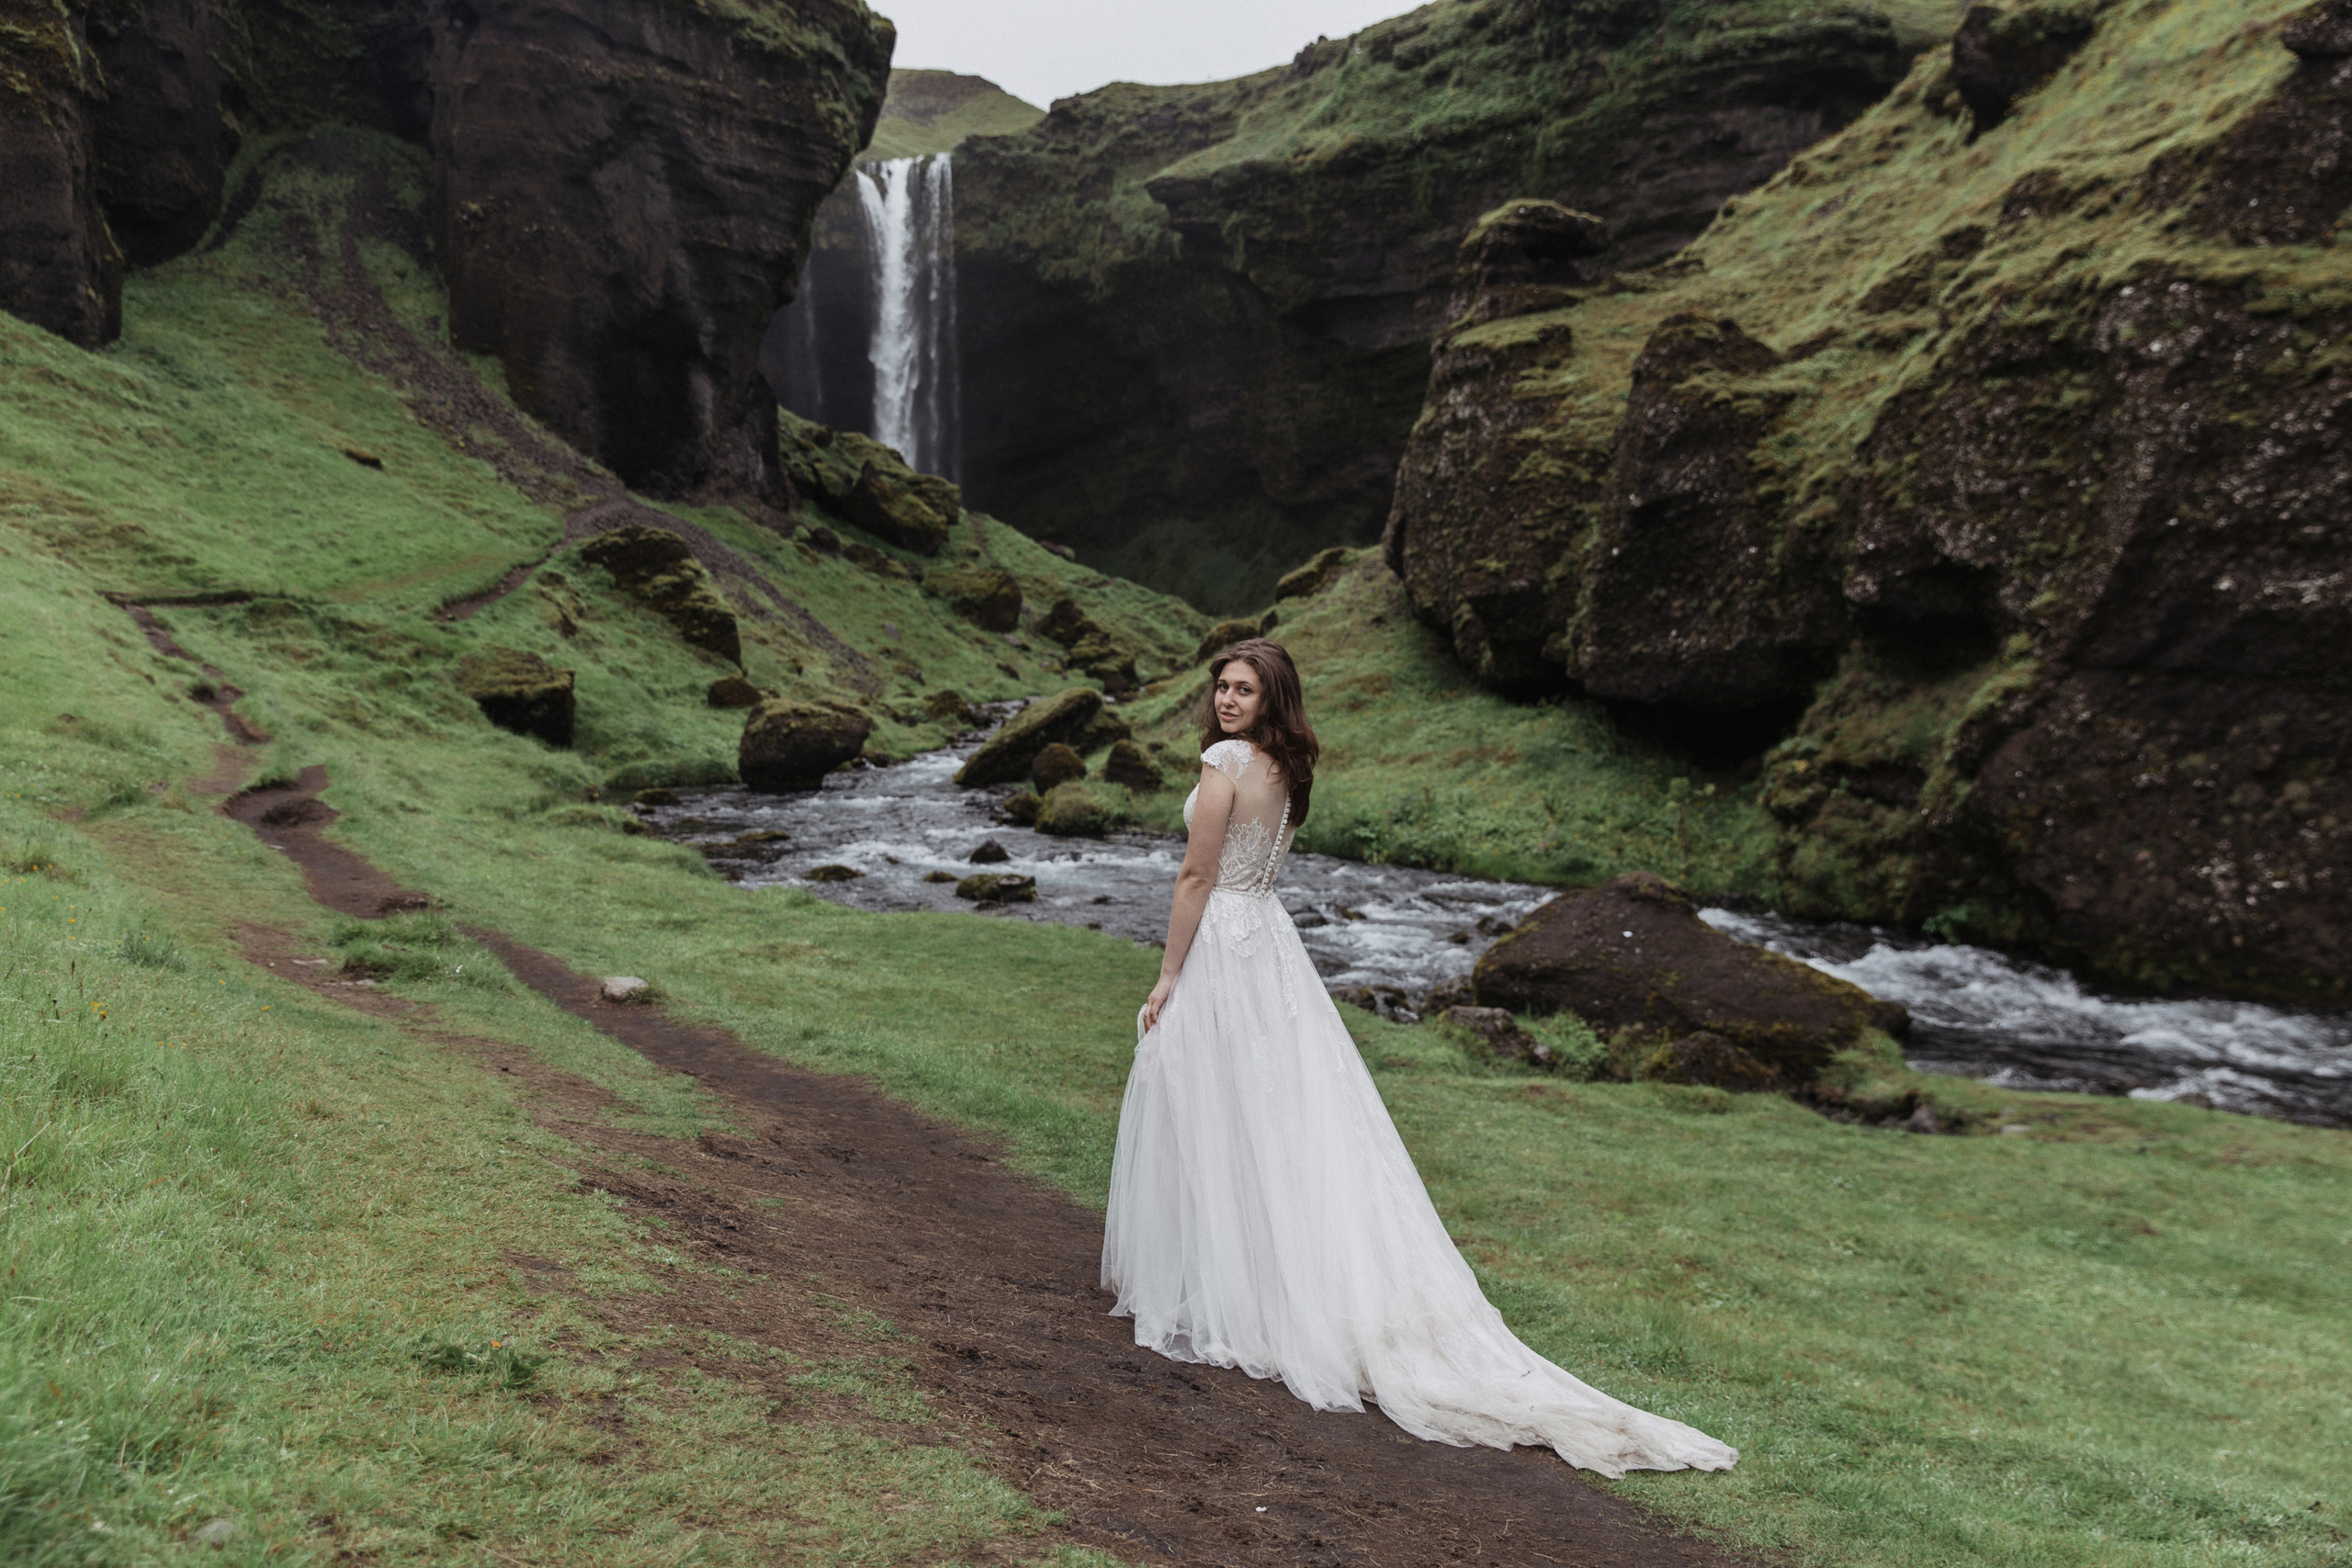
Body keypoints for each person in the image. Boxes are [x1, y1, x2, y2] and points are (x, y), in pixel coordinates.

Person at [1103, 638, 1738, 1478]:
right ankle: (1257, 1282)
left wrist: (1168, 972)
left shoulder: (1225, 761)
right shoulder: (1289, 766)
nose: (1226, 699)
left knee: (1213, 1103)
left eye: (1244, 688)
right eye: (1222, 686)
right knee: (1277, 1111)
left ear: (1270, 697)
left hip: (1225, 940)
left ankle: (1236, 1292)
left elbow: (1196, 875)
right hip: (1271, 945)